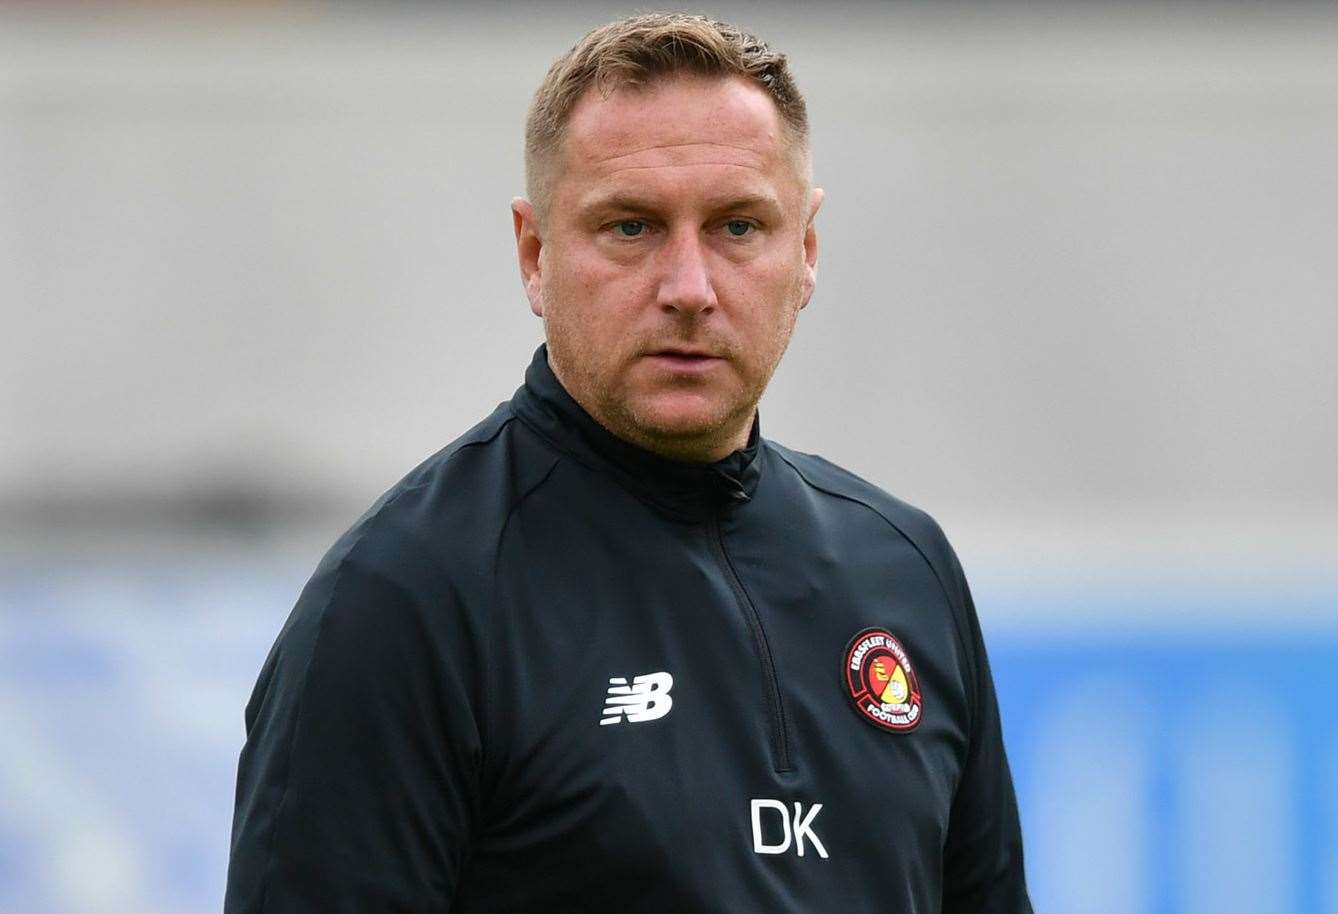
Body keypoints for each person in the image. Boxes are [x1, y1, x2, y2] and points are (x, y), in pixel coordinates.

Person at [224, 13, 1031, 914]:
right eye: (632, 227)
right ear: (535, 256)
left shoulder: (905, 570)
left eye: (737, 226)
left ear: (804, 252)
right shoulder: (408, 597)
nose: (689, 288)